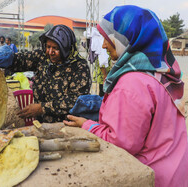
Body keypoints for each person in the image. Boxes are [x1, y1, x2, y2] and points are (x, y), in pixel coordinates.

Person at [63, 5, 188, 187]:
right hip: (176, 172)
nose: (104, 45)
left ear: (127, 38)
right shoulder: (160, 72)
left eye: (109, 38)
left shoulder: (131, 83)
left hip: (153, 177)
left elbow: (122, 144)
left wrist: (87, 125)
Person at [0, 24, 92, 123]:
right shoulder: (42, 57)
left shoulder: (79, 67)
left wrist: (41, 108)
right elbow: (19, 60)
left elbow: (75, 101)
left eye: (55, 48)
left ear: (66, 48)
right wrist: (0, 57)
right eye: (48, 47)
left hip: (67, 126)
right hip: (41, 123)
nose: (50, 52)